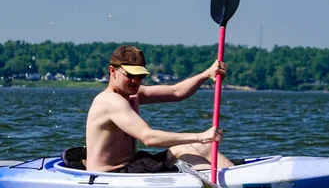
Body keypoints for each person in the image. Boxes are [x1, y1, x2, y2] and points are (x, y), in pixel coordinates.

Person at [84, 45, 234, 173]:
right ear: (112, 71)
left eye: (140, 75)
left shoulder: (133, 95)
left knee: (203, 147)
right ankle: (221, 187)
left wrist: (207, 74)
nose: (135, 81)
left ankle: (234, 177)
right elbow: (148, 137)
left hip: (132, 165)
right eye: (130, 75)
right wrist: (200, 136)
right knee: (184, 149)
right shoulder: (110, 101)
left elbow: (176, 92)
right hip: (111, 173)